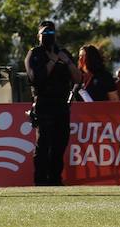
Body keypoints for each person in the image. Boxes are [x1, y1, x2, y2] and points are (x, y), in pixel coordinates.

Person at [24, 21, 79, 187]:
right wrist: (53, 60)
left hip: (61, 104)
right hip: (43, 103)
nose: (49, 37)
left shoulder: (63, 53)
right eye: (45, 34)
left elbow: (77, 78)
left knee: (60, 143)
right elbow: (37, 78)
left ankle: (55, 179)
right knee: (44, 144)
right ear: (38, 36)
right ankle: (41, 181)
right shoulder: (35, 54)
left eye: (51, 34)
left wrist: (67, 62)